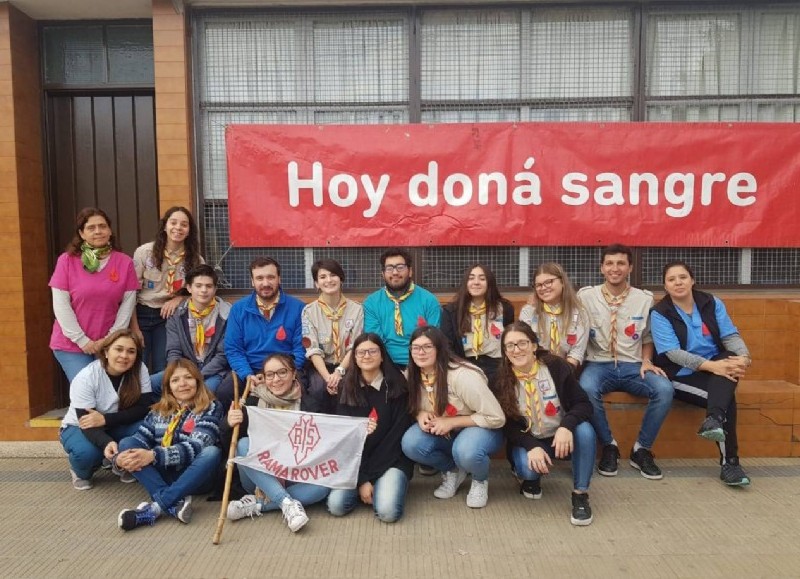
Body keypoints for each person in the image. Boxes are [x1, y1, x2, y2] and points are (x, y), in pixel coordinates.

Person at [651, 261, 752, 486]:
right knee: (726, 399)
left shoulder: (711, 302)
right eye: (671, 279)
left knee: (730, 362)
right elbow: (673, 353)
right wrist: (714, 367)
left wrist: (744, 358)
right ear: (665, 286)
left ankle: (714, 420)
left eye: (683, 277)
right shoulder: (660, 313)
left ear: (692, 280)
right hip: (678, 373)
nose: (678, 282)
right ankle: (730, 463)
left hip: (716, 367)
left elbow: (730, 336)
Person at [577, 244, 673, 480]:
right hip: (598, 363)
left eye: (621, 263)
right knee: (586, 388)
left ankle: (641, 449)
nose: (615, 268)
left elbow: (648, 336)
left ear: (630, 267)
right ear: (602, 268)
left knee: (664, 389)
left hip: (633, 365)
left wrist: (647, 361)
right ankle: (609, 445)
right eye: (609, 263)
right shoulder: (586, 296)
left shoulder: (644, 299)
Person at [496, 322, 596, 526]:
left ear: (534, 345)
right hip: (528, 440)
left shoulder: (555, 366)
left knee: (585, 431)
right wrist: (531, 445)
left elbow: (583, 403)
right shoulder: (500, 380)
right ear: (505, 352)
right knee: (528, 470)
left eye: (522, 343)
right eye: (510, 346)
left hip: (560, 437)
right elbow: (506, 425)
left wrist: (566, 426)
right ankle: (529, 478)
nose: (517, 350)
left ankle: (580, 494)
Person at [400, 326, 505, 508]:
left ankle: (480, 480)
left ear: (439, 348)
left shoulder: (462, 376)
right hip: (446, 432)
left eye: (427, 347)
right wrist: (420, 414)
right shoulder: (412, 374)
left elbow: (496, 418)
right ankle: (452, 470)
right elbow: (411, 406)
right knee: (411, 444)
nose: (420, 353)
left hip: (481, 429)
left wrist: (452, 422)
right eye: (415, 348)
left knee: (466, 451)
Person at [225, 353, 330, 533]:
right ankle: (285, 502)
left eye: (282, 372)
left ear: (293, 373)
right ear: (263, 378)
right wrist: (229, 422)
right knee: (243, 444)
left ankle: (258, 506)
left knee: (323, 487)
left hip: (294, 475)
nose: (276, 379)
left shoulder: (310, 404)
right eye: (270, 375)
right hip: (258, 476)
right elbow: (230, 442)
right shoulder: (252, 402)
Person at [116, 359, 224, 530]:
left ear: (198, 381)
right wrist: (119, 458)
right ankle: (174, 504)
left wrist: (153, 455)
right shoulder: (159, 410)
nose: (182, 384)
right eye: (175, 380)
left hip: (195, 476)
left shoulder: (211, 407)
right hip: (165, 474)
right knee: (127, 443)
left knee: (211, 452)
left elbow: (197, 447)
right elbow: (141, 438)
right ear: (168, 387)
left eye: (188, 377)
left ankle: (155, 507)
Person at [327, 333, 414, 523]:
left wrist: (371, 476)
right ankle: (368, 490)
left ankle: (385, 486)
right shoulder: (346, 387)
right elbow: (345, 439)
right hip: (356, 464)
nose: (366, 356)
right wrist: (362, 479)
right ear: (354, 358)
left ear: (382, 355)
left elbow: (396, 438)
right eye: (361, 352)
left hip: (391, 460)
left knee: (387, 512)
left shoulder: (398, 386)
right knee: (336, 506)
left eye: (372, 351)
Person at [49, 208, 139, 382]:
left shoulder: (124, 262)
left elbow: (127, 306)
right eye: (91, 228)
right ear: (82, 233)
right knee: (86, 391)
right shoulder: (66, 261)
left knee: (110, 396)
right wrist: (84, 341)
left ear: (110, 231)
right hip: (72, 345)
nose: (98, 231)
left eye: (102, 226)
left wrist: (109, 340)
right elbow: (61, 306)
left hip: (111, 346)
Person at [59, 329, 155, 490]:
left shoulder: (140, 369)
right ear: (105, 352)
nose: (124, 356)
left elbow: (144, 407)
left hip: (115, 424)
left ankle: (125, 465)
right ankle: (80, 470)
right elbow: (86, 422)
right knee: (88, 454)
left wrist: (106, 419)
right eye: (118, 349)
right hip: (79, 427)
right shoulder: (86, 377)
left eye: (131, 351)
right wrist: (106, 443)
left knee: (148, 430)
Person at [217, 257, 305, 409]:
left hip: (286, 370)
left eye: (271, 277)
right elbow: (233, 349)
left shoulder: (298, 308)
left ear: (279, 279)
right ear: (252, 281)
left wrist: (283, 374)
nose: (265, 283)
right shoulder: (238, 309)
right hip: (251, 369)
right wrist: (247, 374)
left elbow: (301, 348)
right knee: (223, 392)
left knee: (311, 394)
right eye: (259, 278)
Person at [131, 206, 203, 374]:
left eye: (184, 225)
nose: (178, 228)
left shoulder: (195, 259)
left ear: (189, 231)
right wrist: (134, 327)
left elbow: (201, 293)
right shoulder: (144, 253)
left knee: (162, 365)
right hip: (141, 313)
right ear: (165, 226)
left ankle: (161, 400)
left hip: (168, 317)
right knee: (138, 366)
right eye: (174, 223)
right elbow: (130, 293)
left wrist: (180, 299)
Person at [150, 265, 231, 396]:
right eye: (198, 286)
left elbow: (222, 355)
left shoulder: (227, 315)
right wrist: (178, 374)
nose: (203, 290)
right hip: (183, 369)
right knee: (150, 384)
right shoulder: (177, 315)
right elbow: (173, 350)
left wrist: (198, 376)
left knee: (204, 393)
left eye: (209, 286)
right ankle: (163, 414)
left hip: (213, 372)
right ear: (189, 288)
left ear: (215, 289)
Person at [301, 258, 363, 413]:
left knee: (348, 387)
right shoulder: (309, 312)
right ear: (316, 283)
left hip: (348, 364)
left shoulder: (356, 309)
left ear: (341, 278)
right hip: (322, 365)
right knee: (317, 388)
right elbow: (312, 349)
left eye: (333, 275)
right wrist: (329, 377)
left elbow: (355, 346)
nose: (328, 280)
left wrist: (339, 371)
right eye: (322, 277)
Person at [363, 248, 441, 369]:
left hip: (421, 362)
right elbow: (375, 341)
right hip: (384, 364)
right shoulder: (371, 303)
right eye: (389, 268)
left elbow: (433, 340)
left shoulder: (429, 300)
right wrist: (392, 372)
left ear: (410, 271)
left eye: (400, 267)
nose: (395, 272)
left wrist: (414, 369)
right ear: (382, 274)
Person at [441, 263, 514, 389]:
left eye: (482, 278)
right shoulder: (452, 311)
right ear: (465, 283)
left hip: (497, 366)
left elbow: (511, 338)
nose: (476, 282)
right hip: (465, 365)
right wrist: (464, 369)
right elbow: (447, 346)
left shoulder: (504, 308)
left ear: (489, 283)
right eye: (471, 278)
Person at [519, 262, 589, 370]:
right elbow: (525, 348)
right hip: (535, 369)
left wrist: (562, 373)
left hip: (567, 370)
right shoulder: (528, 312)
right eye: (538, 285)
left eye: (548, 282)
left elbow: (576, 352)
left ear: (562, 282)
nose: (543, 288)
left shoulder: (579, 312)